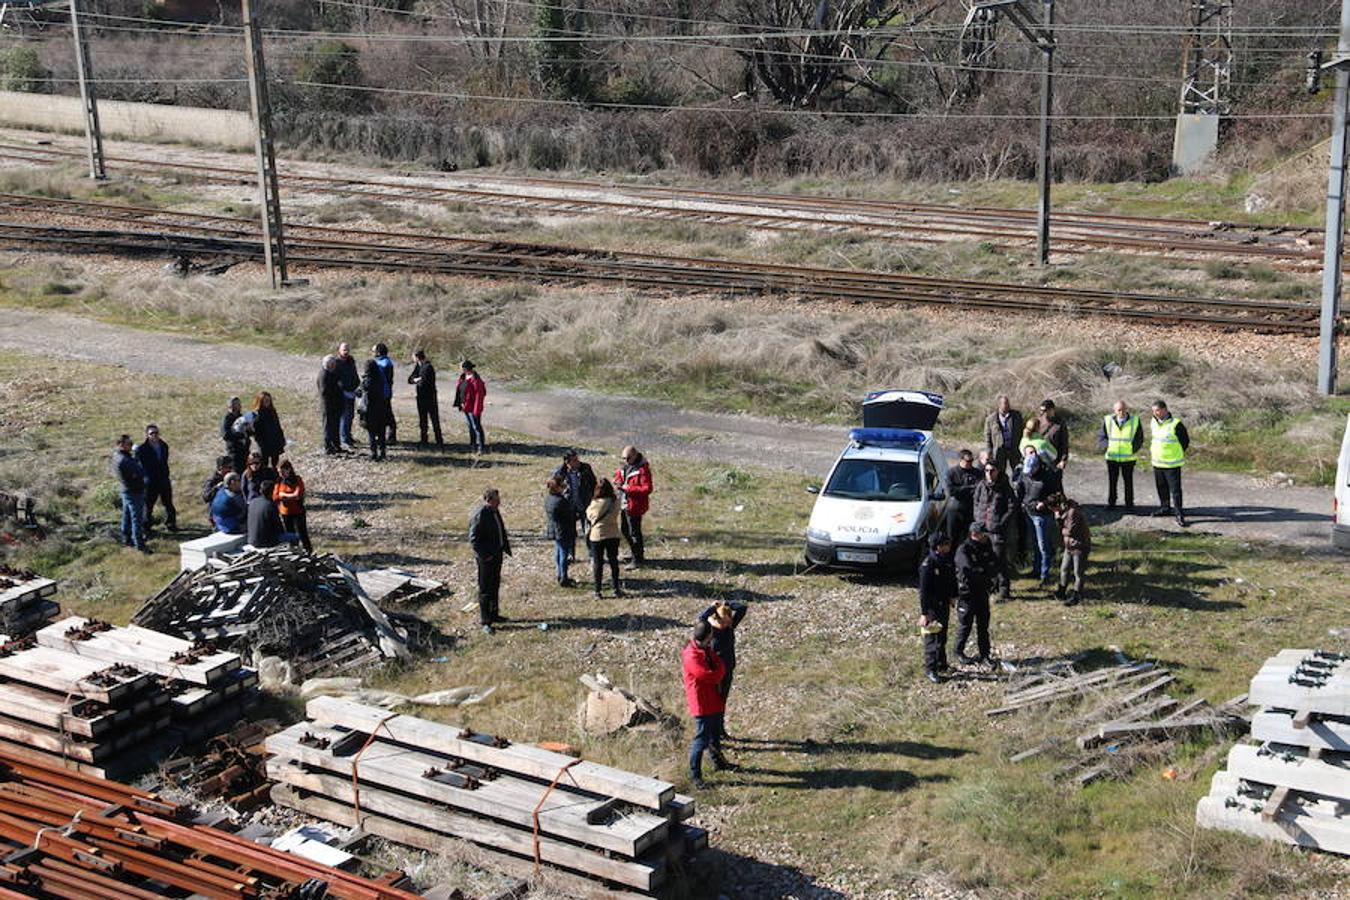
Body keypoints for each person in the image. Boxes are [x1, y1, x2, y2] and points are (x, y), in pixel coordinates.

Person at [682, 620, 729, 790]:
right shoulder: (691, 655)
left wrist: (718, 668)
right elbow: (712, 676)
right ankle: (695, 775)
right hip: (702, 703)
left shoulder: (704, 649)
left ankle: (719, 762)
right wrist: (720, 669)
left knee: (714, 735)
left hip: (712, 700)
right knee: (701, 739)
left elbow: (717, 665)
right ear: (709, 635)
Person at [696, 600, 748, 731]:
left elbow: (742, 608)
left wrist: (727, 603)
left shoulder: (730, 627)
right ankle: (713, 732)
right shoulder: (711, 630)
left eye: (728, 620)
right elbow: (701, 618)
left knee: (722, 701)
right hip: (715, 672)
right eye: (723, 621)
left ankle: (720, 730)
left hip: (728, 669)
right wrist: (713, 607)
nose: (725, 624)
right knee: (714, 702)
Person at [1017, 444, 1062, 586]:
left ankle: (1045, 574)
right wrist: (1022, 502)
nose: (1029, 473)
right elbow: (1021, 489)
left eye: (1031, 471)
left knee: (1043, 545)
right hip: (1028, 512)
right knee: (1035, 544)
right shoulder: (1024, 473)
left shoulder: (1049, 475)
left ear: (1037, 466)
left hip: (1042, 515)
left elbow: (1057, 494)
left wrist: (1044, 503)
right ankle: (1036, 570)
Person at [953, 523, 997, 668]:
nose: (986, 537)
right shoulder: (964, 550)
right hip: (968, 594)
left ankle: (985, 654)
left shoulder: (986, 546)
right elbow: (968, 571)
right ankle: (958, 651)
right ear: (975, 534)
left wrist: (987, 574)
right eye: (983, 534)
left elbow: (993, 563)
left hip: (982, 591)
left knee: (983, 625)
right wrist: (983, 572)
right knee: (965, 623)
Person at [972, 459, 1016, 601]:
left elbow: (1011, 508)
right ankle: (991, 586)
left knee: (999, 561)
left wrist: (1001, 523)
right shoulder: (981, 485)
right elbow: (976, 502)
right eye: (986, 471)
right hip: (982, 529)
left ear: (998, 471)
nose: (989, 474)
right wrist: (978, 519)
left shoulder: (1005, 488)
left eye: (992, 471)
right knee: (985, 560)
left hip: (997, 531)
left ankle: (1004, 591)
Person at [469, 488, 511, 634]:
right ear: (488, 500)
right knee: (485, 588)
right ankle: (486, 621)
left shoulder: (493, 511)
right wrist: (485, 555)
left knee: (495, 585)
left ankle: (494, 614)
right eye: (496, 500)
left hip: (497, 554)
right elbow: (474, 539)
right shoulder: (481, 514)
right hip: (486, 558)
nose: (499, 502)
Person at [918, 532, 958, 683]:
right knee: (932, 639)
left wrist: (953, 596)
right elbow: (924, 592)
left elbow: (951, 579)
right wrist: (924, 613)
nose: (949, 546)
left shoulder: (946, 559)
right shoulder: (928, 564)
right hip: (932, 608)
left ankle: (942, 664)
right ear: (938, 547)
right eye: (946, 544)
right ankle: (931, 669)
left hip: (944, 604)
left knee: (942, 636)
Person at [1149, 399, 1190, 527]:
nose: (1155, 413)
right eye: (1154, 411)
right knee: (1161, 488)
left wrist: (1176, 453)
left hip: (1172, 464)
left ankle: (1179, 513)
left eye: (1157, 410)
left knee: (1175, 490)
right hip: (1157, 462)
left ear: (1165, 409)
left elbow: (1185, 441)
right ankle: (1165, 508)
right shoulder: (1153, 422)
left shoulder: (1176, 424)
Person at [1098, 400, 1143, 510]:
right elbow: (1102, 436)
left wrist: (1133, 449)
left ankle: (1129, 504)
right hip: (1112, 457)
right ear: (1114, 410)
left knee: (1128, 482)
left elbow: (1139, 438)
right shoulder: (1108, 420)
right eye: (1119, 410)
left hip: (1128, 458)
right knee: (1112, 482)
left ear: (1127, 409)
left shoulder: (1135, 421)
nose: (1121, 412)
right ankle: (1111, 503)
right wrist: (1106, 447)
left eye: (1123, 409)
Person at [553, 449, 597, 561]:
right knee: (570, 532)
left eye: (577, 459)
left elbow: (593, 483)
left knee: (588, 530)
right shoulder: (560, 472)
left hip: (584, 504)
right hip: (568, 506)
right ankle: (570, 554)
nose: (577, 462)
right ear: (567, 462)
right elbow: (554, 488)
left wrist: (594, 498)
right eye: (574, 460)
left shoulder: (586, 468)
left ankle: (592, 554)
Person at [1049, 494, 1091, 606]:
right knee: (1064, 569)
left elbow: (1070, 531)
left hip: (1079, 546)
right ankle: (1062, 591)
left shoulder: (1072, 512)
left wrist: (1058, 518)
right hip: (1069, 545)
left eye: (1053, 509)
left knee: (1078, 572)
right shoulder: (1064, 512)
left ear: (1058, 505)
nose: (1053, 511)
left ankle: (1077, 596)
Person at [134, 423, 177, 534]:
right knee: (148, 505)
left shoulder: (164, 446)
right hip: (150, 481)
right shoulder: (142, 449)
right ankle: (146, 527)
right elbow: (137, 464)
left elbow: (164, 462)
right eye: (151, 433)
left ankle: (171, 524)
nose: (154, 435)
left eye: (156, 433)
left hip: (163, 479)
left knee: (168, 503)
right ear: (147, 435)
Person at [614, 446, 653, 567]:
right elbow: (619, 476)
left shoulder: (643, 469)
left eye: (628, 458)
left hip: (635, 506)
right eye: (623, 458)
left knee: (634, 533)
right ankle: (636, 554)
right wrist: (617, 481)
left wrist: (628, 488)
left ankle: (637, 559)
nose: (626, 461)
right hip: (625, 504)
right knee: (626, 531)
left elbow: (647, 488)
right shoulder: (625, 466)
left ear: (635, 455)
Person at [586, 480, 624, 599]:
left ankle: (598, 591)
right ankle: (616, 589)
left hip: (597, 535)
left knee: (598, 563)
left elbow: (589, 515)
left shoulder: (595, 503)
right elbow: (620, 505)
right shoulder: (615, 502)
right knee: (613, 561)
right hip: (613, 534)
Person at [111, 434, 148, 553]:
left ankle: (126, 539)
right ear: (121, 445)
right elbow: (140, 471)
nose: (131, 445)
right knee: (136, 518)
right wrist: (136, 454)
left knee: (126, 516)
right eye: (129, 444)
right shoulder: (124, 460)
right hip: (134, 491)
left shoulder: (116, 456)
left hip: (125, 490)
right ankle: (139, 544)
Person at [361, 344, 393, 461]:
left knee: (371, 433)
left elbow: (360, 392)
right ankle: (383, 452)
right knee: (381, 432)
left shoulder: (367, 381)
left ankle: (374, 453)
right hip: (382, 407)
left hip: (370, 410)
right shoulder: (381, 379)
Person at [273, 460, 312, 553]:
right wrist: (290, 496)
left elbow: (298, 494)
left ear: (289, 469)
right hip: (285, 513)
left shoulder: (297, 479)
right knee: (290, 534)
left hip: (298, 511)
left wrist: (283, 495)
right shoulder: (279, 481)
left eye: (283, 472)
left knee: (302, 533)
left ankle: (308, 551)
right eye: (279, 472)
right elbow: (275, 497)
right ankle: (294, 551)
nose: (281, 474)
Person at [544, 476, 576, 587]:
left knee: (558, 552)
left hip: (554, 528)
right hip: (563, 530)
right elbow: (570, 514)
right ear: (556, 488)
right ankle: (564, 577)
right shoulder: (561, 501)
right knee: (563, 553)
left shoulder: (548, 498)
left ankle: (559, 574)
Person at [408, 350, 444, 447]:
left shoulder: (428, 367)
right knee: (422, 419)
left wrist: (417, 380)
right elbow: (410, 379)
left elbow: (424, 382)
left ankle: (439, 440)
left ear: (417, 357)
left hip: (430, 397)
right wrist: (416, 379)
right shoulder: (418, 366)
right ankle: (424, 439)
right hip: (420, 397)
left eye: (414, 357)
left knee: (434, 419)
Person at [944, 449, 981, 541]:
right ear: (961, 460)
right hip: (955, 509)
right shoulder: (952, 473)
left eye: (972, 461)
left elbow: (979, 489)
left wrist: (962, 489)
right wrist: (969, 488)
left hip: (970, 509)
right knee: (952, 537)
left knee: (969, 537)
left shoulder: (977, 473)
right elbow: (951, 491)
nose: (970, 463)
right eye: (968, 461)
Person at [246, 480, 296, 549]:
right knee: (295, 536)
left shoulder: (253, 502)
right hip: (266, 541)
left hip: (252, 539)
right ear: (272, 492)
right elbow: (278, 528)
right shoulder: (270, 506)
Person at [983, 395, 1025, 475]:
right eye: (1005, 403)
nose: (1008, 405)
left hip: (1014, 449)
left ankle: (1017, 487)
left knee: (1018, 471)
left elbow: (1022, 431)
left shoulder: (1016, 416)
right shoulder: (991, 419)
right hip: (999, 451)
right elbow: (987, 436)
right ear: (999, 405)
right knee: (1000, 472)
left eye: (1008, 403)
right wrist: (989, 451)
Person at [455, 360, 487, 453]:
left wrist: (476, 410)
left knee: (476, 427)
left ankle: (481, 447)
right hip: (466, 406)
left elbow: (479, 396)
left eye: (461, 367)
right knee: (470, 426)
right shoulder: (463, 377)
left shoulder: (476, 380)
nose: (460, 369)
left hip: (473, 408)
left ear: (465, 368)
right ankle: (473, 445)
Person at [335, 342, 360, 449]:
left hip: (352, 392)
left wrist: (357, 385)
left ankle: (348, 436)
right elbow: (336, 379)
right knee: (344, 417)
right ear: (339, 350)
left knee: (351, 416)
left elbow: (355, 374)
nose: (345, 351)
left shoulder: (351, 361)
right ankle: (344, 439)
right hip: (342, 393)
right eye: (343, 349)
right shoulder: (336, 363)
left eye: (347, 349)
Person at [371, 343, 398, 445]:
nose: (373, 353)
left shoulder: (384, 364)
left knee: (387, 415)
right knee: (385, 415)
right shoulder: (383, 361)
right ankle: (388, 436)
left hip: (383, 393)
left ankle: (391, 437)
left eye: (374, 351)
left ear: (378, 352)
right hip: (384, 392)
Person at [319, 355, 345, 455]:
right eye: (333, 364)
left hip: (335, 406)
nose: (335, 366)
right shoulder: (324, 375)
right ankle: (328, 446)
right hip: (328, 406)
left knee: (335, 426)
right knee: (328, 427)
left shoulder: (332, 373)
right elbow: (324, 392)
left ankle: (336, 445)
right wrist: (337, 389)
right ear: (328, 365)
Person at [251, 392, 286, 469]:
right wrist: (260, 442)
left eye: (268, 400)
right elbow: (254, 431)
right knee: (263, 463)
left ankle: (274, 477)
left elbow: (278, 426)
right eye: (265, 400)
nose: (267, 402)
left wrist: (282, 439)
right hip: (264, 443)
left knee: (275, 462)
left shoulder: (272, 411)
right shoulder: (256, 414)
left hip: (274, 440)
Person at [200, 455, 234, 523]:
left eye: (231, 467)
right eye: (228, 467)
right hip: (217, 517)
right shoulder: (212, 480)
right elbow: (206, 497)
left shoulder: (232, 477)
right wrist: (217, 488)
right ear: (220, 468)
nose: (230, 470)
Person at [221, 397, 250, 476]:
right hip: (235, 451)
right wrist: (239, 436)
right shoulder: (227, 418)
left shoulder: (241, 417)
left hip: (245, 450)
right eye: (237, 404)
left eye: (239, 404)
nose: (239, 406)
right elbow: (225, 435)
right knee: (238, 472)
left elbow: (248, 431)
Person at [1038, 399, 1070, 470]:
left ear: (1052, 410)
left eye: (1045, 411)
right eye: (1041, 410)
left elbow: (1064, 443)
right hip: (1040, 459)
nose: (1042, 413)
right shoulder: (1038, 421)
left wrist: (1063, 460)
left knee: (1054, 480)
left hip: (1054, 460)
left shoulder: (1060, 424)